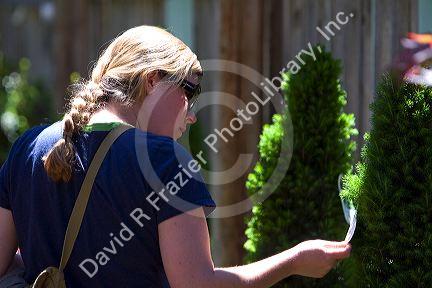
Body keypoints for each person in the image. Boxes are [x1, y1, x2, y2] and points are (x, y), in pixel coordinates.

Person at [0, 25, 351, 287]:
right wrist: (293, 260)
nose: (192, 113)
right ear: (152, 80)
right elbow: (197, 284)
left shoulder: (26, 147)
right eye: (190, 91)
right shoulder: (165, 160)